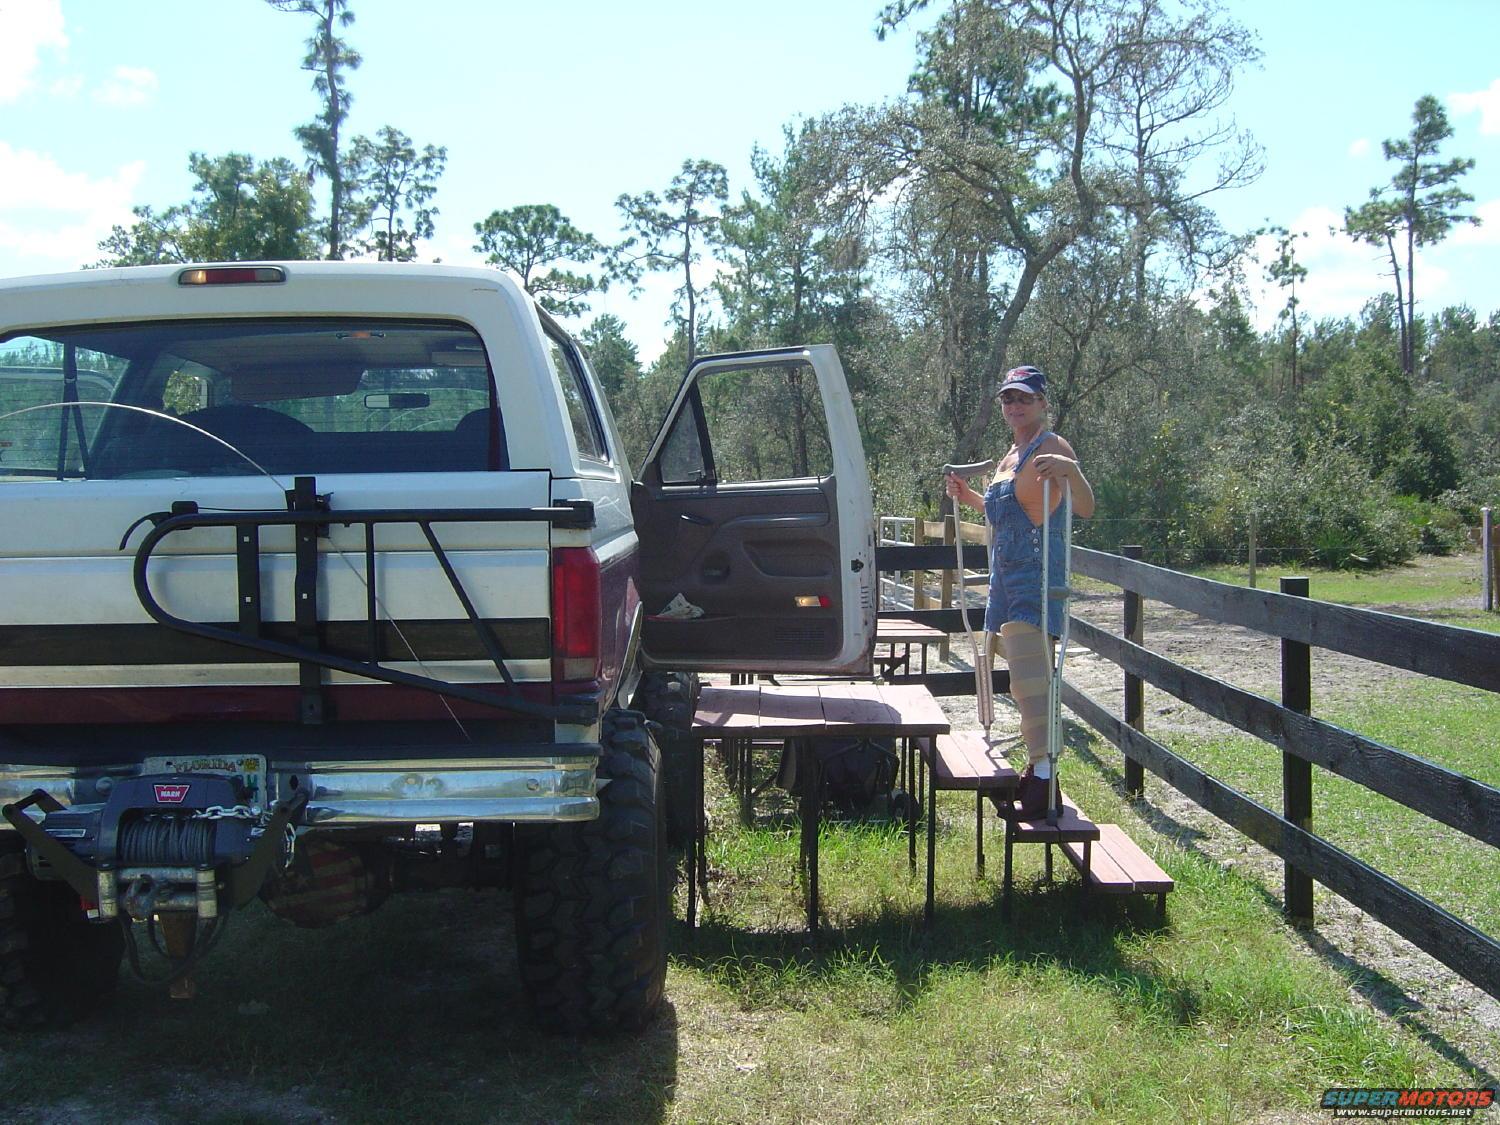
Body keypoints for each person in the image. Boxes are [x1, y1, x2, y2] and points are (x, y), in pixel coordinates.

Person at [946, 364, 1095, 820]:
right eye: (1008, 398)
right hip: (1004, 577)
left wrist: (1072, 471)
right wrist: (969, 497)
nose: (1015, 406)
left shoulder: (1053, 447)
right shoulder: (1010, 455)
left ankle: (1044, 779)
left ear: (1042, 403)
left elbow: (1086, 507)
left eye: (1024, 398)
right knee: (1019, 678)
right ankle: (1037, 771)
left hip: (1036, 573)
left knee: (1032, 677)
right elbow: (1005, 514)